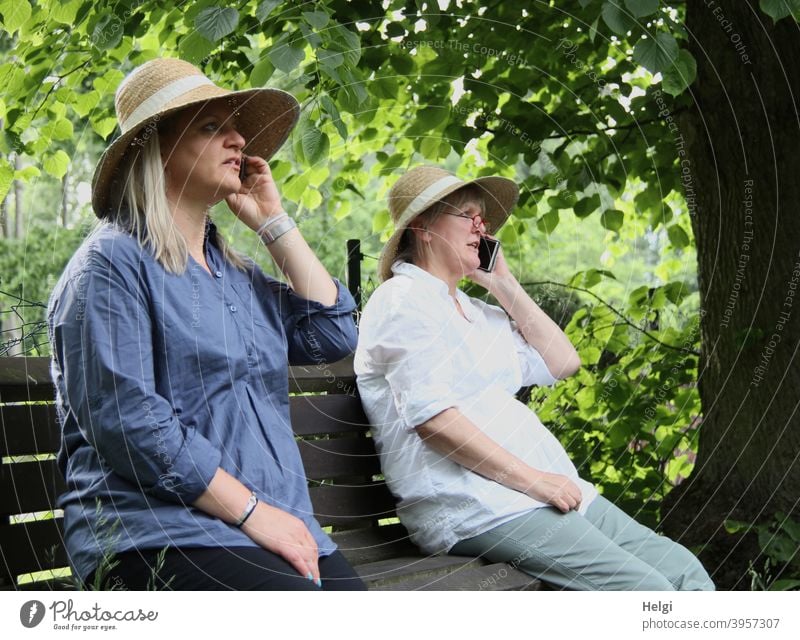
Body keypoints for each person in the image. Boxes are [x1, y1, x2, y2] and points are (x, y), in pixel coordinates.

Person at [47, 58, 365, 591]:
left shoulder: (235, 275)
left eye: (237, 126)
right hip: (157, 534)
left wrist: (272, 223)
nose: (239, 139)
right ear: (158, 148)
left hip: (272, 523)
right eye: (212, 126)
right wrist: (253, 514)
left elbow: (333, 334)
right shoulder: (109, 265)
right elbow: (131, 424)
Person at [354, 166, 714, 591]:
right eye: (466, 215)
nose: (480, 227)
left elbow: (562, 361)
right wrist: (535, 482)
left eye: (482, 219)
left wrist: (501, 282)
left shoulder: (477, 313)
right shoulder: (403, 301)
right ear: (422, 226)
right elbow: (435, 422)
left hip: (540, 494)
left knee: (686, 573)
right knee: (647, 593)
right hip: (477, 505)